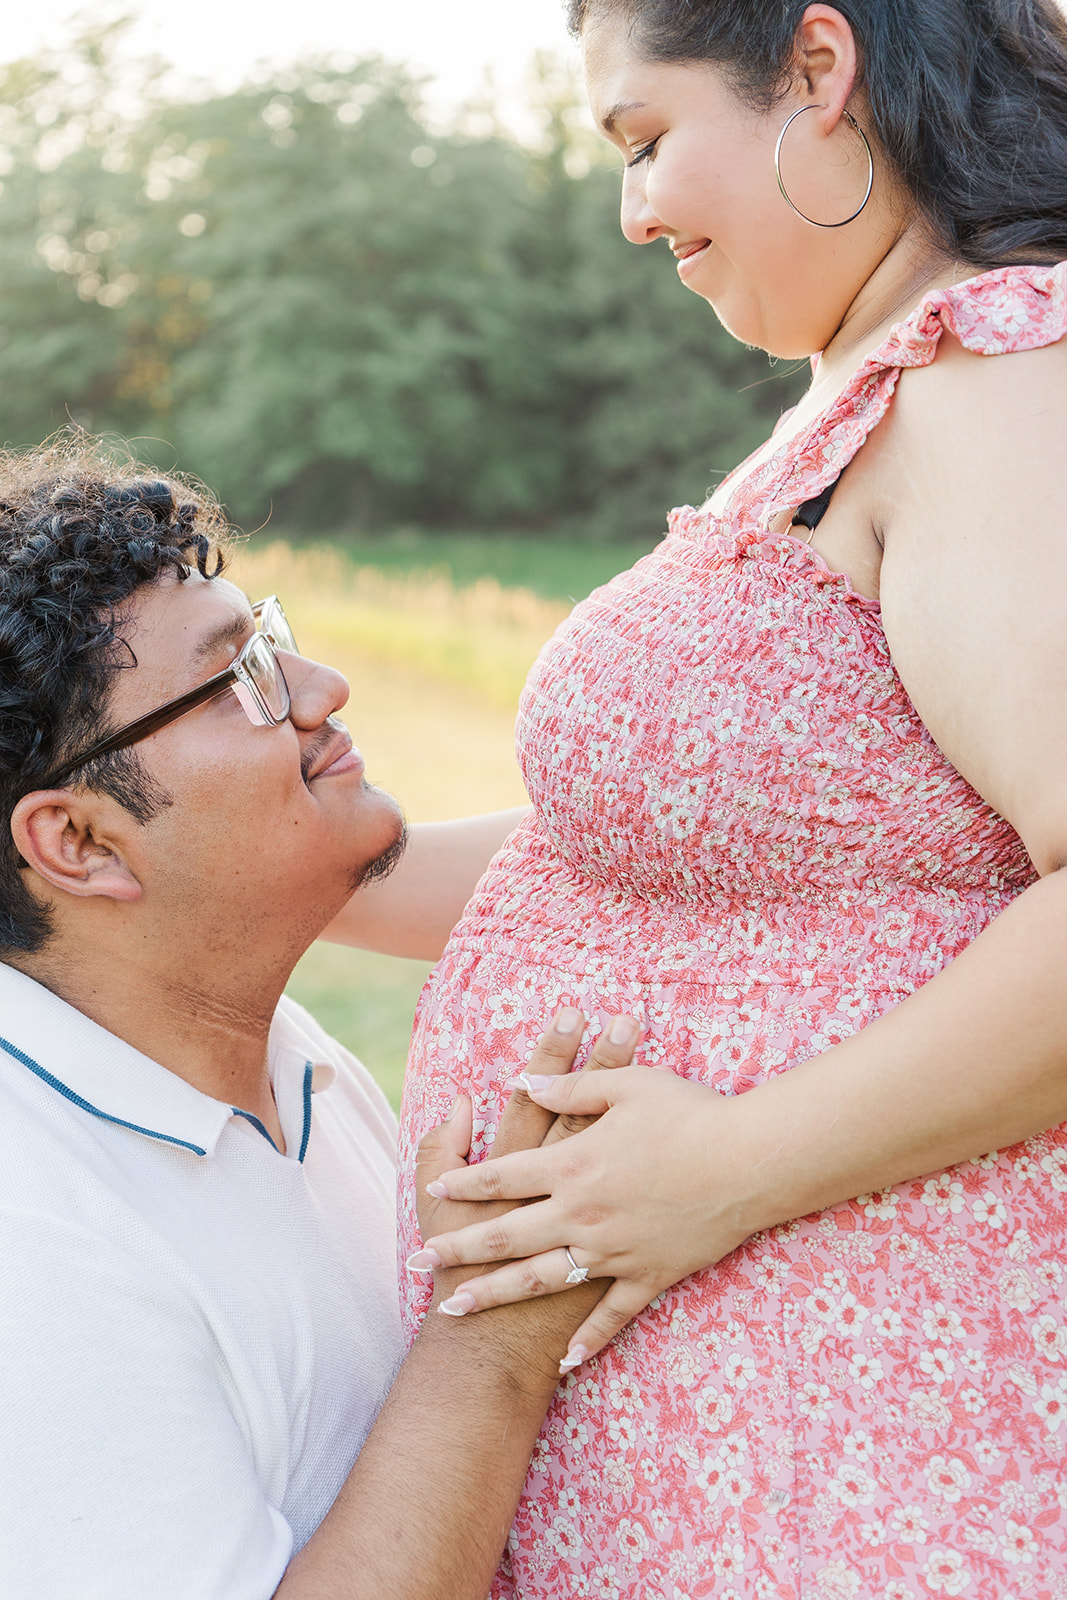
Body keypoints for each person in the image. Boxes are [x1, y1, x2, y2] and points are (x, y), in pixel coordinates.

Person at [324, 1, 1067, 1594]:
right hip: (760, 1445)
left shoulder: (996, 372)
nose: (632, 212)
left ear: (817, 67)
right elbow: (673, 867)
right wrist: (304, 872)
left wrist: (722, 1169)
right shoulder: (867, 394)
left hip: (876, 1443)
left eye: (646, 139)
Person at [0, 440, 647, 1600]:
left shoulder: (272, 1051)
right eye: (234, 679)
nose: (320, 688)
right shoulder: (32, 1235)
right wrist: (494, 1326)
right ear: (81, 842)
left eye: (270, 640)